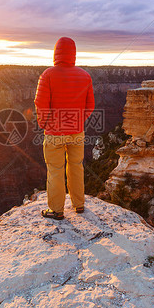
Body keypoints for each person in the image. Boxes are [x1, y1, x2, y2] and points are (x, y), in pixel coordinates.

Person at [34, 37, 95, 220]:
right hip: (77, 132)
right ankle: (79, 205)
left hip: (54, 133)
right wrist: (77, 121)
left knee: (55, 170)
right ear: (73, 54)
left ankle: (57, 210)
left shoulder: (48, 75)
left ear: (56, 53)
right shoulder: (85, 76)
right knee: (76, 166)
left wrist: (44, 124)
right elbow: (90, 105)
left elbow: (40, 104)